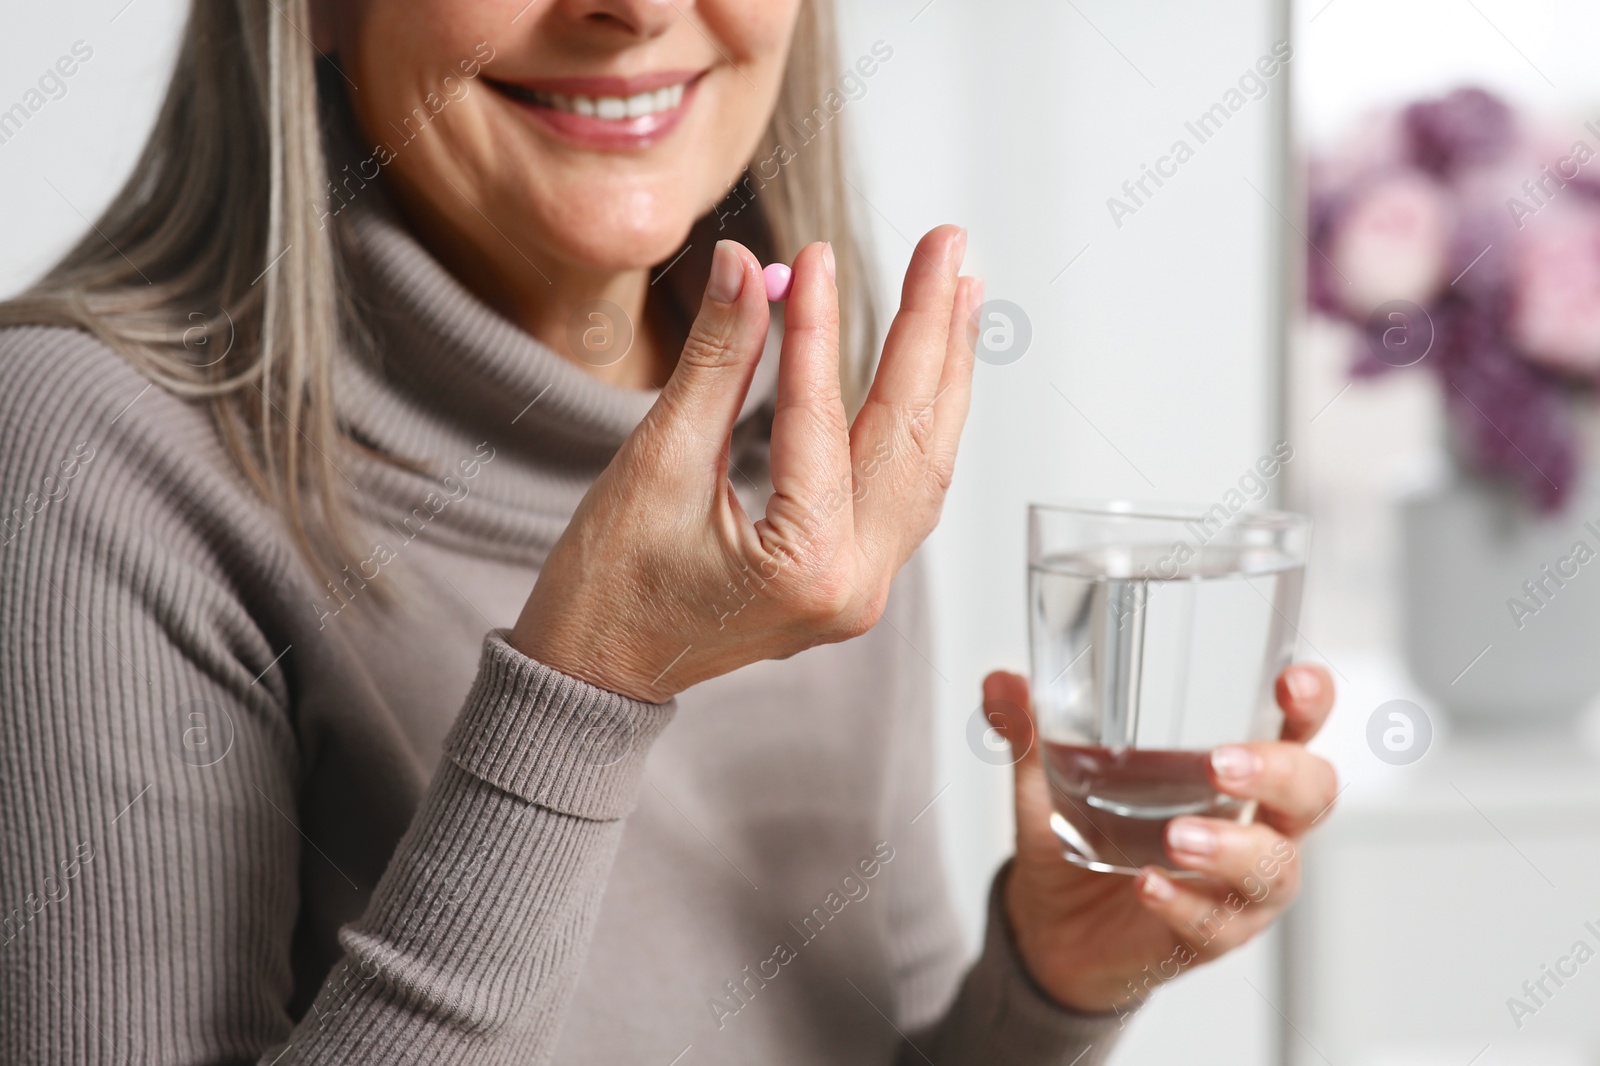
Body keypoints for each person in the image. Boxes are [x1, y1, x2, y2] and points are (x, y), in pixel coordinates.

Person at [0, 1, 1338, 1062]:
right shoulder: (87, 448)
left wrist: (1050, 988)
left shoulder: (809, 462)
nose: (633, 9)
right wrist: (586, 685)